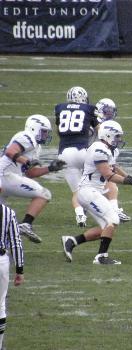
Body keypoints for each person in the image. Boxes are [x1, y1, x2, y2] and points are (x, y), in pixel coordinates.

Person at [61, 120, 132, 265]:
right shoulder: (99, 149)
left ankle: (71, 241)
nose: (119, 139)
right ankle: (101, 257)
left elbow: (114, 167)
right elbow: (108, 175)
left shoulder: (106, 149)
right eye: (117, 136)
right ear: (108, 135)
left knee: (106, 228)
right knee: (113, 220)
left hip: (93, 192)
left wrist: (130, 177)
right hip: (88, 192)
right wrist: (129, 182)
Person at [0, 115, 65, 243]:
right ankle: (25, 224)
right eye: (44, 132)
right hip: (4, 175)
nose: (46, 136)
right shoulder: (26, 136)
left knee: (3, 222)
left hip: (6, 177)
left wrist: (50, 169)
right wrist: (26, 161)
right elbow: (10, 151)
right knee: (44, 194)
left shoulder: (36, 146)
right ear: (34, 129)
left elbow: (30, 173)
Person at [55, 86, 99, 228]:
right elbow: (100, 129)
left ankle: (80, 214)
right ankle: (110, 208)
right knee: (97, 181)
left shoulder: (60, 108)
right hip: (83, 152)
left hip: (64, 154)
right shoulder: (89, 109)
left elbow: (59, 130)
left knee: (76, 191)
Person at [94, 98, 131, 223]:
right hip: (88, 159)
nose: (110, 114)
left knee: (109, 184)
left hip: (93, 158)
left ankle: (113, 210)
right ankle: (112, 211)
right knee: (95, 187)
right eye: (106, 111)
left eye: (111, 111)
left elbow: (113, 165)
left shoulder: (106, 127)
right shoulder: (95, 124)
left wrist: (128, 177)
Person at [0, 204, 25, 350]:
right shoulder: (8, 212)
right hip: (1, 261)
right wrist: (19, 270)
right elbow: (16, 242)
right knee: (0, 304)